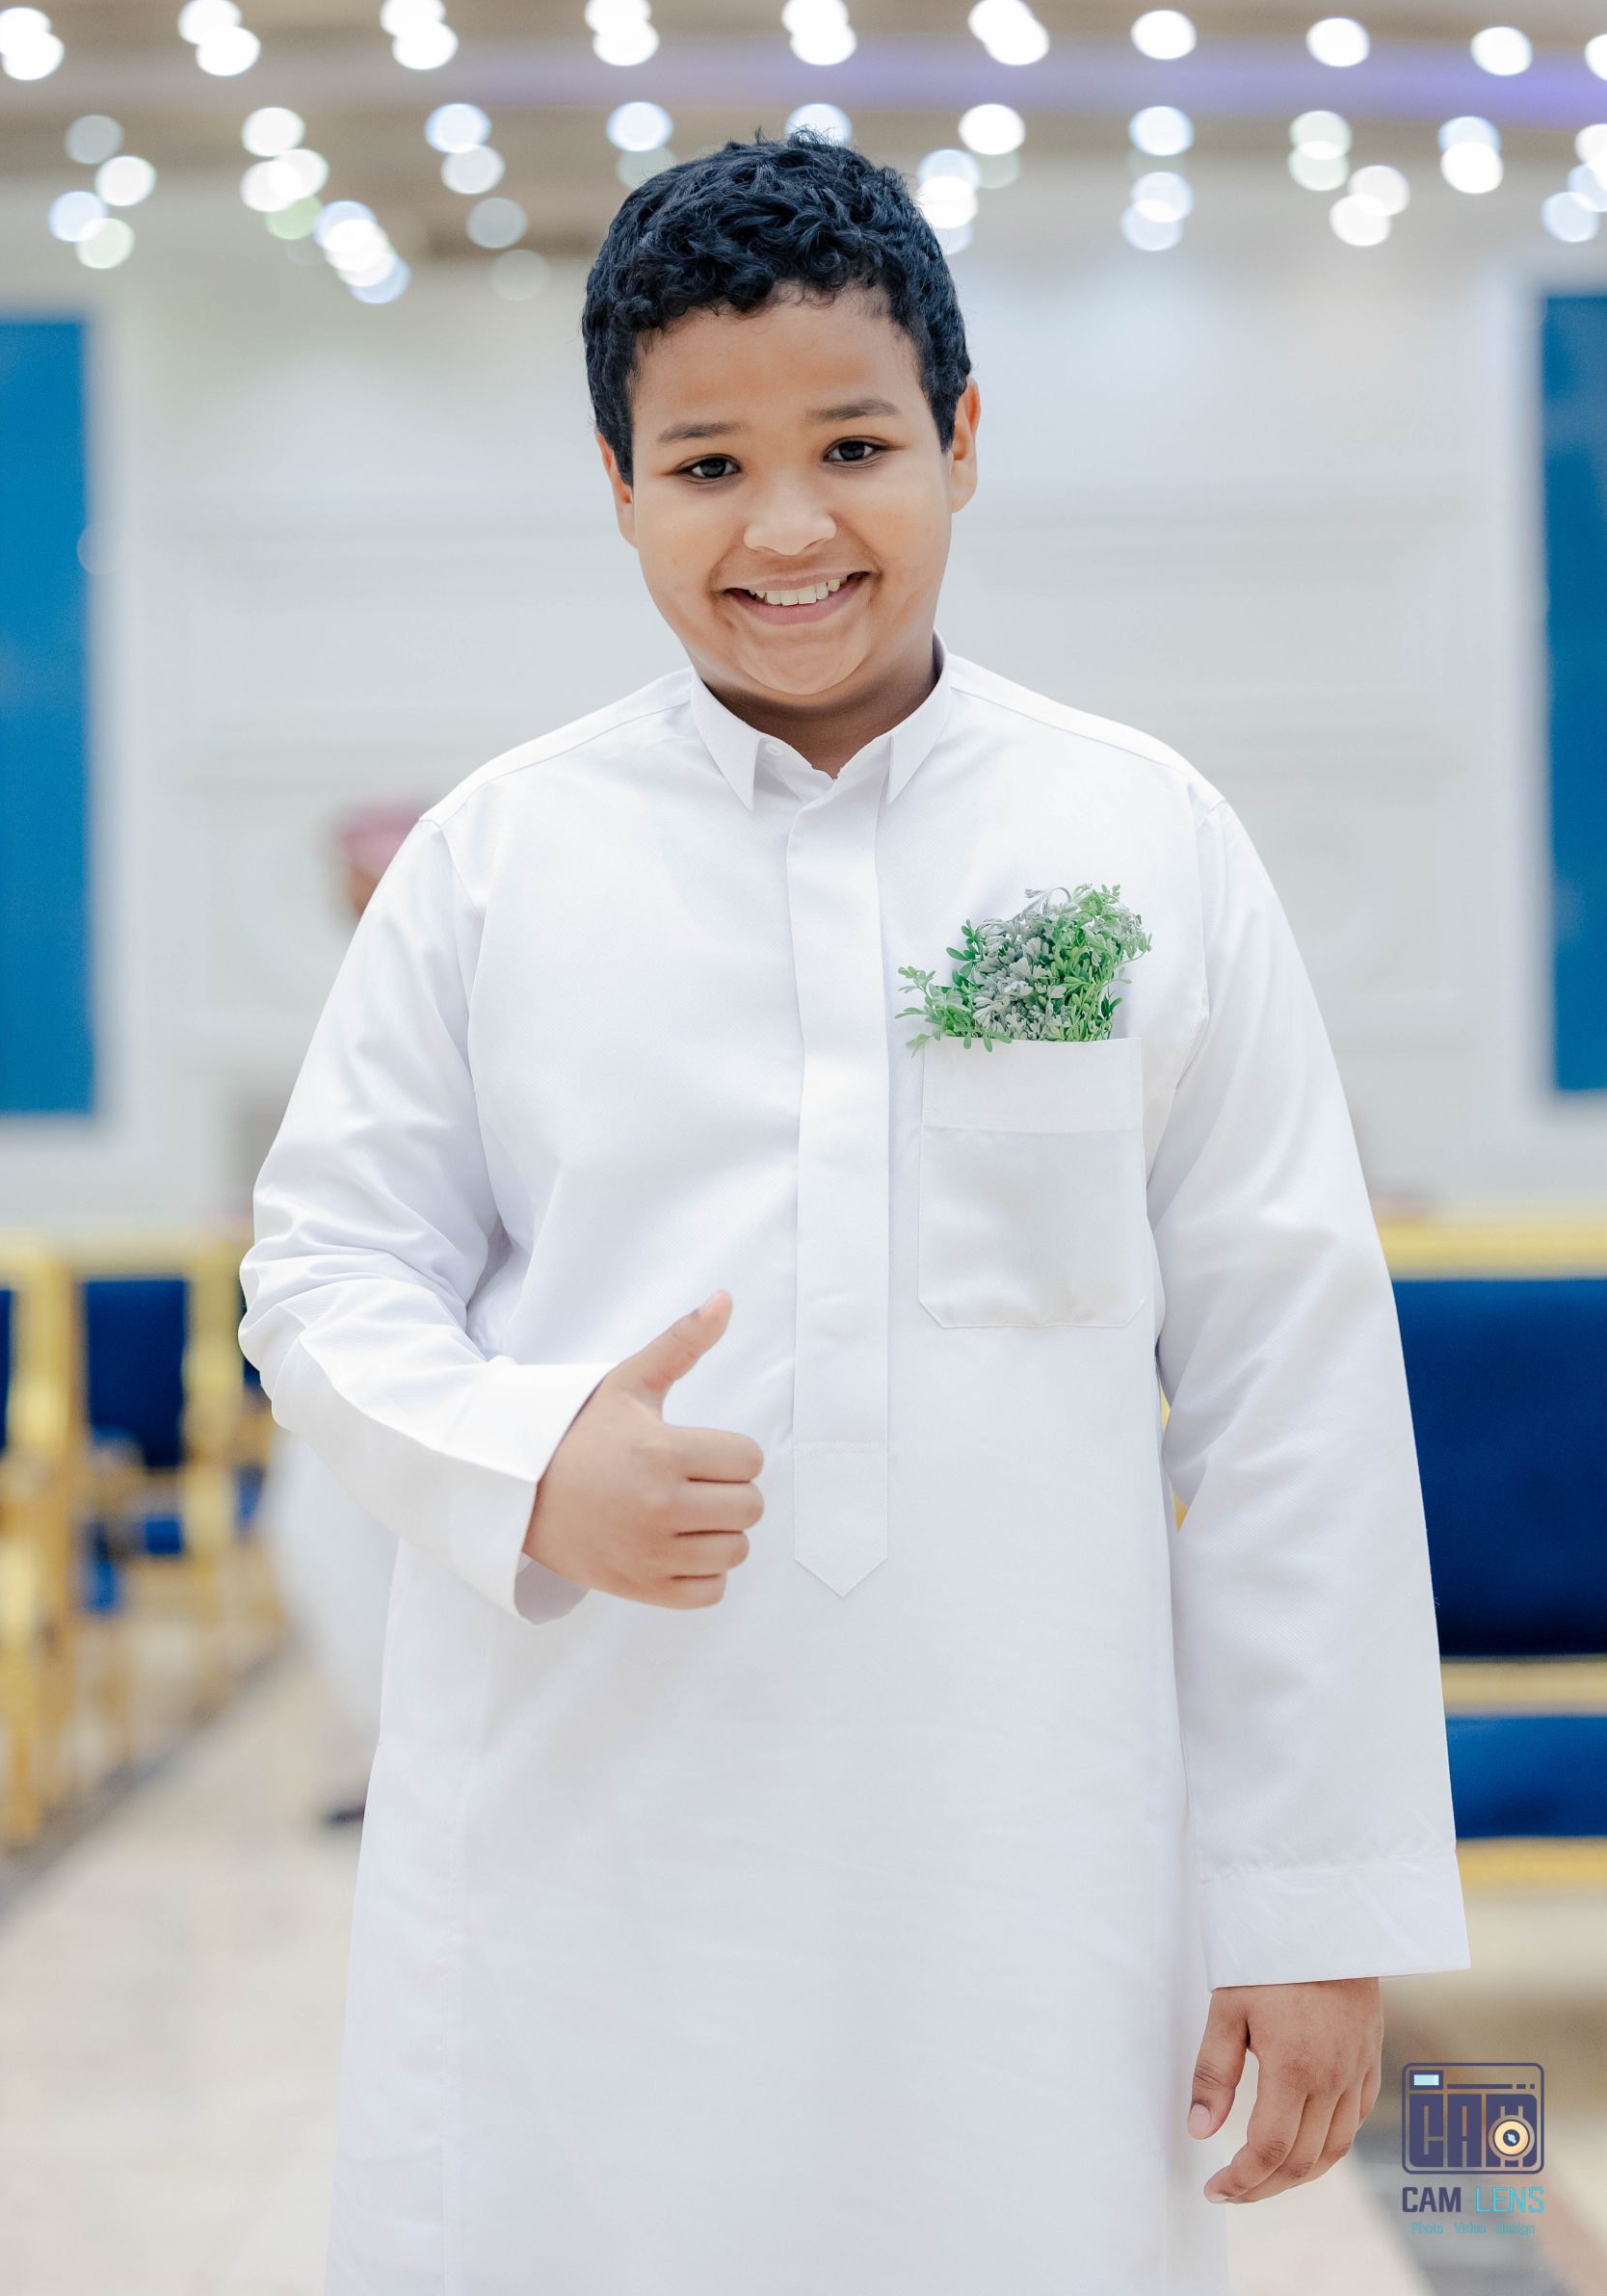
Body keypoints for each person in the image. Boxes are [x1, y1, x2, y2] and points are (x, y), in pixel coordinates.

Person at [238, 134, 1469, 2296]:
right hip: (589, 1849)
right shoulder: (495, 863)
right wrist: (532, 1461)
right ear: (616, 484)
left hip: (1029, 1851)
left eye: (853, 446)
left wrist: (1311, 1905)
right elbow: (323, 1271)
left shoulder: (1138, 835)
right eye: (706, 465)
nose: (788, 527)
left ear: (962, 440)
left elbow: (1291, 1387)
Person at [257, 805, 420, 1821]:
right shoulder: (345, 988)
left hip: (450, 1312)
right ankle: (393, 1754)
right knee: (316, 1528)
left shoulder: (469, 969)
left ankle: (421, 1760)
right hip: (351, 1312)